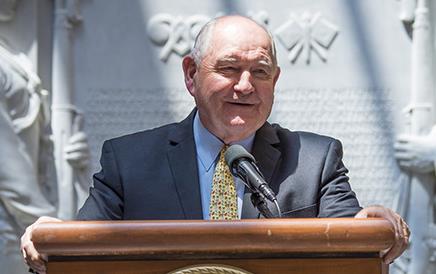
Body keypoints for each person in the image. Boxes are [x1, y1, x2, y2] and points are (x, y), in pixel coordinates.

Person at [21, 15, 410, 274]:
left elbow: (348, 246)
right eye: (228, 68)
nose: (245, 85)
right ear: (191, 74)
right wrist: (51, 240)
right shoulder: (128, 162)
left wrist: (366, 228)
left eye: (260, 72)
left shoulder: (315, 160)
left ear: (274, 82)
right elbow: (82, 251)